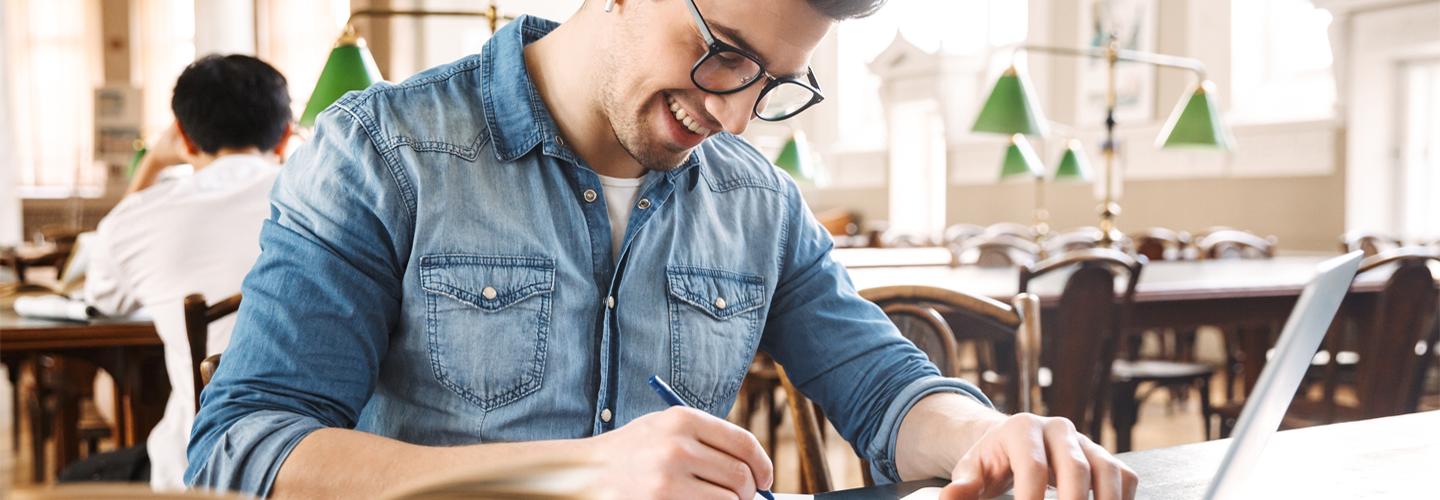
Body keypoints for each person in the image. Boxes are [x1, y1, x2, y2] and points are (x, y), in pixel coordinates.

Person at [188, 1, 1139, 499]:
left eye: (771, 82)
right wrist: (573, 474)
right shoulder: (382, 151)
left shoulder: (756, 201)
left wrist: (990, 437)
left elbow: (883, 389)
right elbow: (246, 450)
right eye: (720, 48)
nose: (730, 110)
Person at [79, 54, 291, 491]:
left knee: (85, 463)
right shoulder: (327, 199)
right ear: (286, 134)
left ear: (184, 138)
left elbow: (101, 301)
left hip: (194, 468)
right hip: (318, 461)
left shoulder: (139, 217)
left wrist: (153, 164)